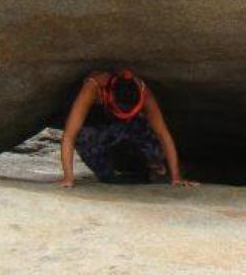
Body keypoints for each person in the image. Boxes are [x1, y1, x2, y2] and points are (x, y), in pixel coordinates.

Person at [57, 68, 198, 188]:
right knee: (106, 174)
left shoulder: (142, 90)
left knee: (145, 128)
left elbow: (162, 133)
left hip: (128, 126)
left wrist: (176, 176)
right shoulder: (93, 87)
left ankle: (157, 167)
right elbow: (70, 135)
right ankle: (112, 170)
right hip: (95, 130)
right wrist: (68, 177)